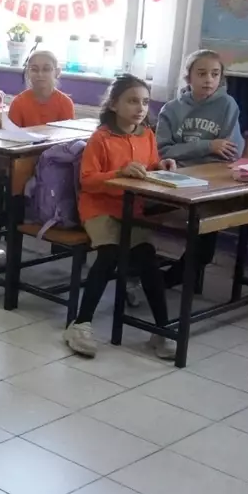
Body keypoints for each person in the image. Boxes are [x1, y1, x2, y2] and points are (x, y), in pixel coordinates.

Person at [62, 75, 176, 359]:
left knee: (148, 257)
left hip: (131, 211)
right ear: (114, 104)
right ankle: (80, 324)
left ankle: (161, 330)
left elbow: (149, 166)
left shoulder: (146, 134)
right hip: (99, 209)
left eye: (145, 102)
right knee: (109, 253)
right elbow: (88, 180)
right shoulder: (101, 137)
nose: (140, 108)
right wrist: (118, 173)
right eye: (132, 101)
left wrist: (161, 166)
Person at [156, 48, 244, 286]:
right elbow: (163, 151)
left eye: (215, 74)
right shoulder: (171, 110)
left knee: (206, 230)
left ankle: (169, 279)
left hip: (212, 181)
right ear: (188, 77)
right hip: (178, 179)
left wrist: (194, 150)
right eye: (202, 73)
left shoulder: (227, 104)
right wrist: (208, 146)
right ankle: (153, 275)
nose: (208, 80)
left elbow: (231, 151)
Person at [7, 49, 75, 127]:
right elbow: (12, 133)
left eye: (46, 69)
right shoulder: (18, 103)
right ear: (28, 72)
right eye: (34, 69)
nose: (40, 74)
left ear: (57, 72)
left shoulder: (65, 103)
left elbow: (66, 133)